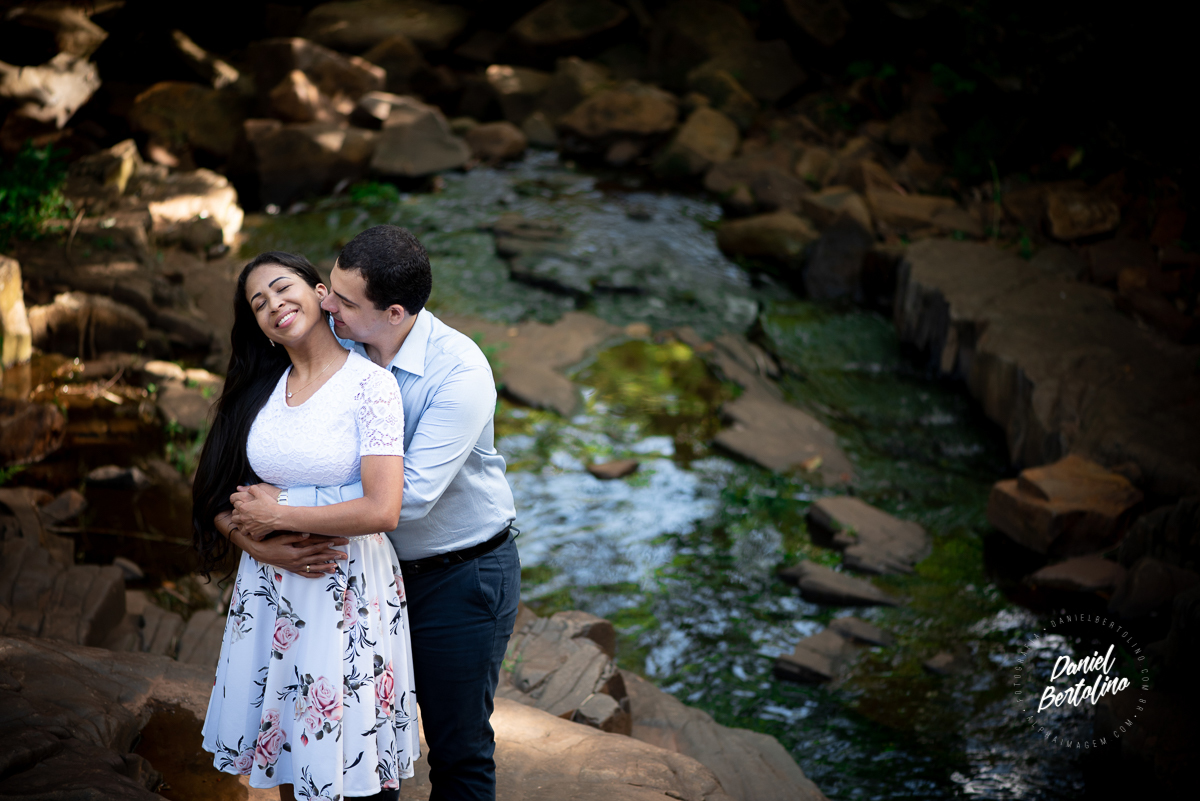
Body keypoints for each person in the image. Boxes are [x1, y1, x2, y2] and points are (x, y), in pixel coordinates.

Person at [229, 225, 520, 801]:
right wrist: (252, 535)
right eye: (329, 287)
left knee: (457, 750)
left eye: (341, 299)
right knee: (361, 742)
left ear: (393, 313)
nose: (324, 302)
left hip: (456, 576)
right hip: (365, 578)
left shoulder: (459, 373)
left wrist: (279, 509)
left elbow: (402, 502)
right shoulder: (340, 346)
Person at [192, 251, 419, 801]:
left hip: (347, 589)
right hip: (271, 591)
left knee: (355, 763)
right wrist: (260, 547)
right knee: (294, 764)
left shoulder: (372, 386)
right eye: (259, 303)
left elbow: (383, 509)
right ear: (260, 328)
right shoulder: (257, 391)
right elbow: (213, 498)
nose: (273, 305)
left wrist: (280, 513)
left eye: (281, 287)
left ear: (321, 293)